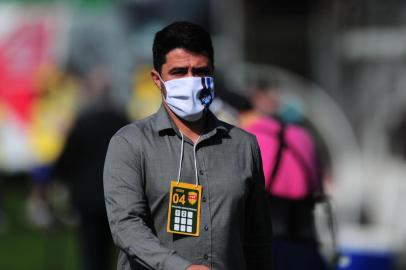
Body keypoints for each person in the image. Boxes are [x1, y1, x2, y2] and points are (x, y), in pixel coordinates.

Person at [103, 21, 272, 270]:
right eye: (179, 72)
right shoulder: (130, 143)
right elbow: (126, 226)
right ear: (157, 79)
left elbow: (258, 238)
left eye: (200, 71)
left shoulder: (243, 145)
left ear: (212, 73)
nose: (191, 81)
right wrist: (180, 268)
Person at [242, 77, 328, 270]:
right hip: (307, 250)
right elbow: (319, 189)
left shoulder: (248, 136)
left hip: (266, 251)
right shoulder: (304, 137)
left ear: (256, 99)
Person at [54, 66, 129, 270]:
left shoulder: (82, 124)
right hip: (116, 198)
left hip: (87, 199)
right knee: (114, 252)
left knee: (91, 254)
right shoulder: (123, 122)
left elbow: (64, 162)